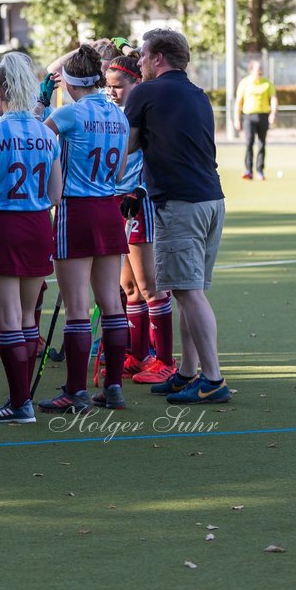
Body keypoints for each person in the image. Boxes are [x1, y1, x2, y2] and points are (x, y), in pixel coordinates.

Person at [124, 28, 231, 404]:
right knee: (190, 292)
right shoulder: (197, 93)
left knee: (188, 292)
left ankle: (213, 378)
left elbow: (127, 146)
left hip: (181, 205)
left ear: (158, 58)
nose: (137, 61)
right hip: (211, 201)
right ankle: (187, 371)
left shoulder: (145, 92)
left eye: (142, 55)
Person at [0, 52, 62, 424]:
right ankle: (21, 399)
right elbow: (55, 195)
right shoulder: (45, 132)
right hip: (38, 227)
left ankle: (20, 403)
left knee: (8, 321)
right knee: (25, 319)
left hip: (3, 228)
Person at [38, 44, 131, 414]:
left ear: (71, 83)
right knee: (110, 303)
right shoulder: (119, 117)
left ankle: (75, 392)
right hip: (110, 210)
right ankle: (113, 388)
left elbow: (36, 139)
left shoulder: (69, 114)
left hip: (77, 209)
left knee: (78, 307)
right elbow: (121, 172)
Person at [105, 55, 176, 385]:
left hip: (138, 201)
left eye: (118, 86)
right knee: (129, 287)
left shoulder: (147, 115)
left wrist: (140, 189)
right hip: (114, 202)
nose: (113, 92)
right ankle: (137, 356)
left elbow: (160, 159)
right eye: (108, 86)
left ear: (137, 84)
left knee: (150, 287)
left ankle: (164, 361)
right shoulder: (111, 114)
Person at [233, 60, 278, 180]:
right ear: (251, 70)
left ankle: (260, 171)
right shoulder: (244, 83)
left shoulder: (267, 83)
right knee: (249, 143)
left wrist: (273, 113)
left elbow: (273, 99)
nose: (260, 71)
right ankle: (248, 170)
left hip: (263, 116)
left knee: (262, 144)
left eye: (261, 69)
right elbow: (238, 102)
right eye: (257, 69)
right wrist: (237, 119)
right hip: (249, 117)